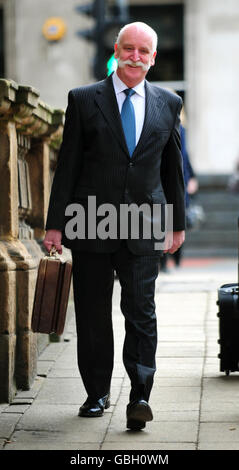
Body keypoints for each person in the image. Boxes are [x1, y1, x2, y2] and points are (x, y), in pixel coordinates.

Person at [43, 22, 185, 431]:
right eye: (129, 48)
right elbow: (67, 165)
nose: (135, 56)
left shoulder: (168, 102)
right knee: (91, 313)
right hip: (91, 222)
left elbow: (172, 168)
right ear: (116, 51)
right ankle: (96, 393)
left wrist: (176, 224)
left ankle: (140, 394)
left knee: (142, 312)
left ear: (153, 57)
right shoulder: (85, 100)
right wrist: (55, 225)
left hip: (145, 223)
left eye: (144, 51)